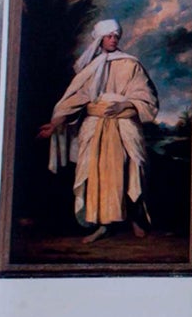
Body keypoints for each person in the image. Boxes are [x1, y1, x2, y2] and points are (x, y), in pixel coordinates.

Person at [37, 18, 157, 243]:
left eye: (115, 36)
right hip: (95, 128)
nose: (113, 40)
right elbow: (76, 99)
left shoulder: (131, 64)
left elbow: (146, 97)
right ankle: (102, 225)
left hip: (123, 125)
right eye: (109, 36)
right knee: (96, 175)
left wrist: (125, 105)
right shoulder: (91, 68)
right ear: (100, 39)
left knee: (132, 170)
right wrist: (55, 124)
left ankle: (134, 219)